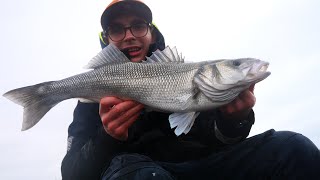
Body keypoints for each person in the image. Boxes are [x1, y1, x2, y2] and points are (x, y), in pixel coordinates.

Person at [61, 0, 320, 179]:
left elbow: (216, 139)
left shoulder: (185, 75)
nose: (129, 35)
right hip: (140, 174)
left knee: (293, 148)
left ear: (151, 33)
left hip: (203, 169)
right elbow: (71, 175)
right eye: (116, 29)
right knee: (133, 173)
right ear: (106, 39)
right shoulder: (88, 102)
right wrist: (108, 138)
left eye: (138, 25)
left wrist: (233, 121)